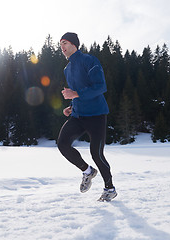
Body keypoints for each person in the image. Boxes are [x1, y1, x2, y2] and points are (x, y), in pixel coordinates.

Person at [57, 32, 117, 202]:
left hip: (96, 115)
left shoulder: (90, 61)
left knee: (96, 154)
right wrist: (71, 106)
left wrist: (75, 94)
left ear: (75, 44)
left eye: (65, 43)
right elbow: (78, 92)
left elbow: (100, 86)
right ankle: (87, 171)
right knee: (62, 144)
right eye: (60, 44)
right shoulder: (67, 69)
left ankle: (109, 188)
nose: (62, 47)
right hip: (78, 115)